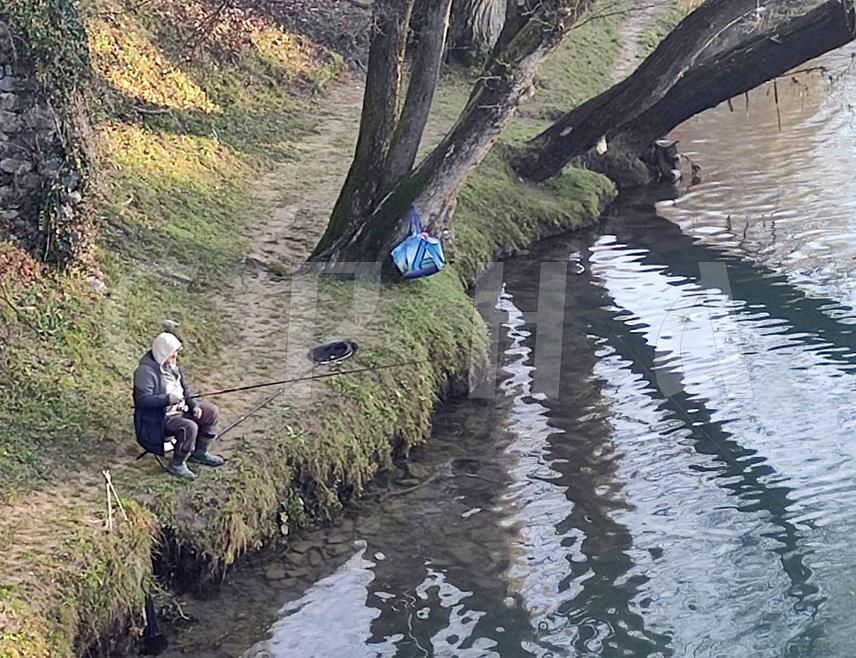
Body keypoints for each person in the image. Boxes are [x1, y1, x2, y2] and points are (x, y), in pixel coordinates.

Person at [133, 332, 224, 480]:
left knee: (211, 412)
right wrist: (167, 399)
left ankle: (200, 453)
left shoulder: (173, 367)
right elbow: (143, 401)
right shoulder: (144, 373)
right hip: (158, 419)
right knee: (189, 427)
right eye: (171, 355)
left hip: (180, 410)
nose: (174, 359)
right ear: (162, 354)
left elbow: (185, 389)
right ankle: (177, 464)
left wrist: (194, 405)